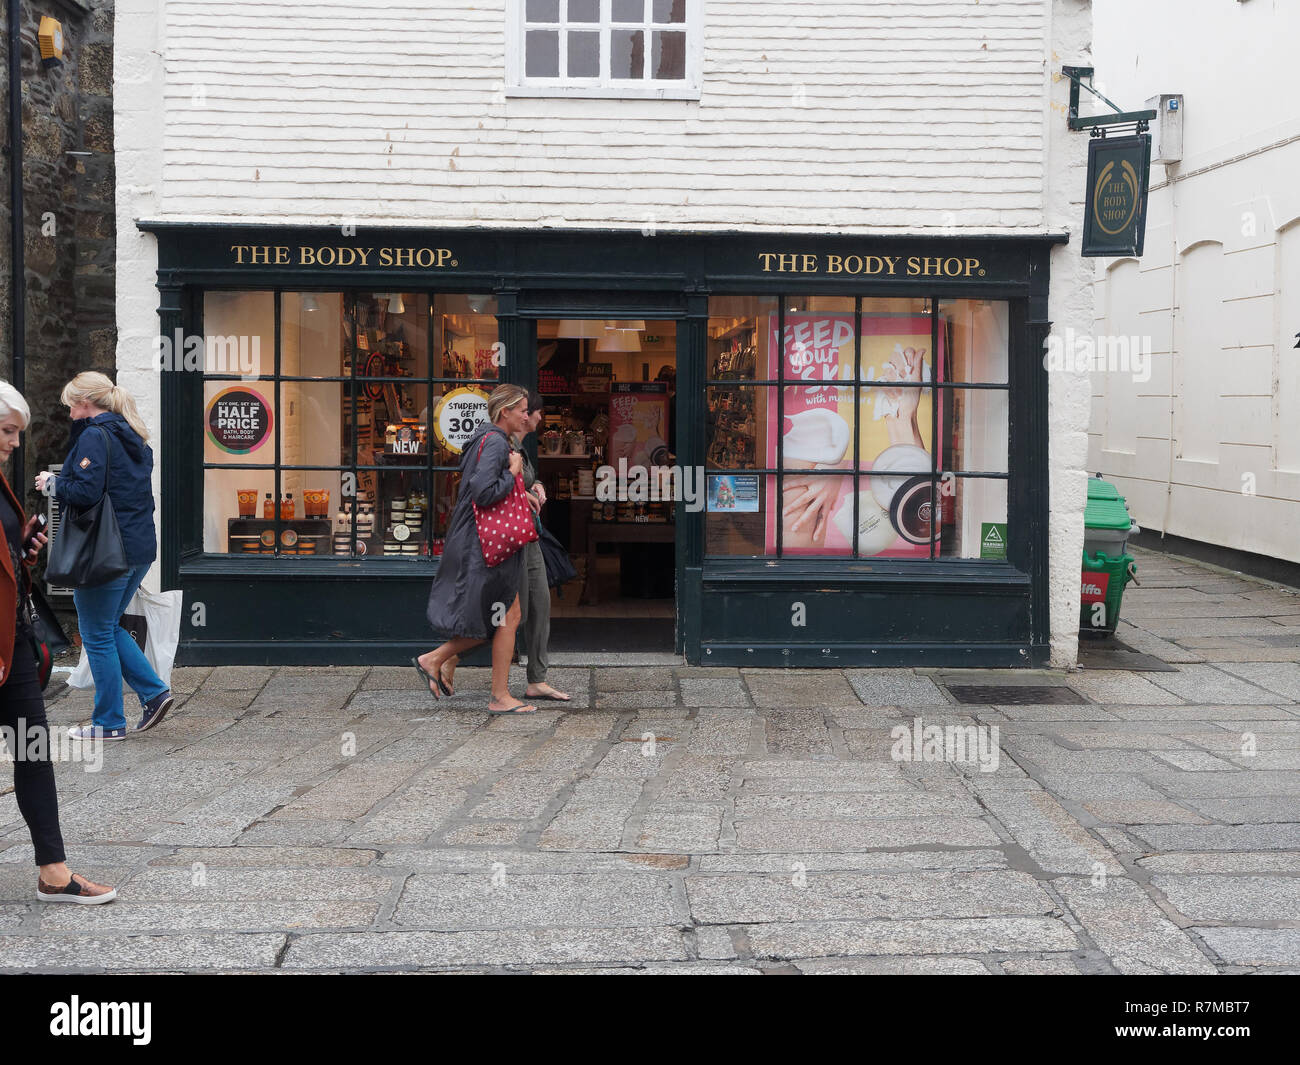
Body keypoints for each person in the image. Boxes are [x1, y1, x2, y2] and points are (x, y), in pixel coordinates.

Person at [0, 381, 116, 903]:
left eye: (16, 433)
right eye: (6, 431)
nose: (14, 444)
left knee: (33, 750)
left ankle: (54, 871)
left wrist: (22, 547)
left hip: (14, 639)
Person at [35, 372, 173, 739]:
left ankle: (109, 723)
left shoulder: (95, 436)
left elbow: (86, 491)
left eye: (70, 406)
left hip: (105, 553)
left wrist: (52, 484)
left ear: (85, 403)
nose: (68, 414)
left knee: (95, 632)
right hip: (138, 549)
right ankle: (155, 693)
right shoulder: (135, 435)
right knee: (108, 626)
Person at [415, 384, 537, 715]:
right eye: (522, 409)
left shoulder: (487, 438)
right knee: (502, 617)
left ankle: (444, 662)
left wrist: (519, 492)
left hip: (476, 541)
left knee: (506, 616)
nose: (527, 416)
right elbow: (483, 492)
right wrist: (513, 475)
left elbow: (476, 489)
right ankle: (445, 664)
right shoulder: (496, 442)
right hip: (484, 545)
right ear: (505, 412)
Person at [513, 392, 569, 702]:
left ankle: (537, 678)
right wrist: (524, 494)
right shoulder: (502, 445)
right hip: (512, 539)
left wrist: (535, 486)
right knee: (516, 615)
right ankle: (445, 656)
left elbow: (523, 481)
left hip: (530, 536)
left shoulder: (521, 447)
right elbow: (491, 490)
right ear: (523, 415)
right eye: (534, 412)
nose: (539, 418)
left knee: (540, 604)